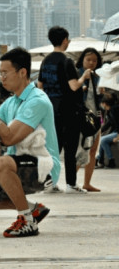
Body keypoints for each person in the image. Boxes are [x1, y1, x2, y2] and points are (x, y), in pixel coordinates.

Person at [0, 47, 61, 238]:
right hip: (17, 166)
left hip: (43, 167)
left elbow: (8, 137)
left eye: (5, 73)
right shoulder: (12, 102)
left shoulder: (37, 100)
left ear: (23, 72)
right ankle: (32, 210)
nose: (2, 78)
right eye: (0, 73)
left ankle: (26, 220)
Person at [37, 26, 90, 194]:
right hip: (69, 110)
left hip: (51, 110)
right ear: (65, 40)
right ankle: (71, 184)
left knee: (53, 147)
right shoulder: (67, 61)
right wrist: (84, 77)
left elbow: (40, 86)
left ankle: (49, 182)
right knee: (70, 148)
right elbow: (74, 86)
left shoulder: (45, 61)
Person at [75, 48, 103, 190]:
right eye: (88, 60)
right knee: (81, 148)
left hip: (95, 116)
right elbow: (72, 91)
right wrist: (83, 85)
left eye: (95, 60)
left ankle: (87, 183)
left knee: (93, 149)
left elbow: (100, 99)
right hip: (81, 116)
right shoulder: (77, 73)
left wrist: (102, 93)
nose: (92, 63)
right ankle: (71, 182)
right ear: (82, 60)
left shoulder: (98, 76)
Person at [97, 95, 119, 168]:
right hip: (115, 131)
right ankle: (100, 160)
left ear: (105, 103)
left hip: (117, 133)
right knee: (102, 138)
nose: (102, 105)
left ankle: (111, 161)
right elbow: (109, 123)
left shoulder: (115, 110)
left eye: (102, 103)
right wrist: (100, 131)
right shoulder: (110, 111)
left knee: (103, 140)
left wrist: (118, 137)